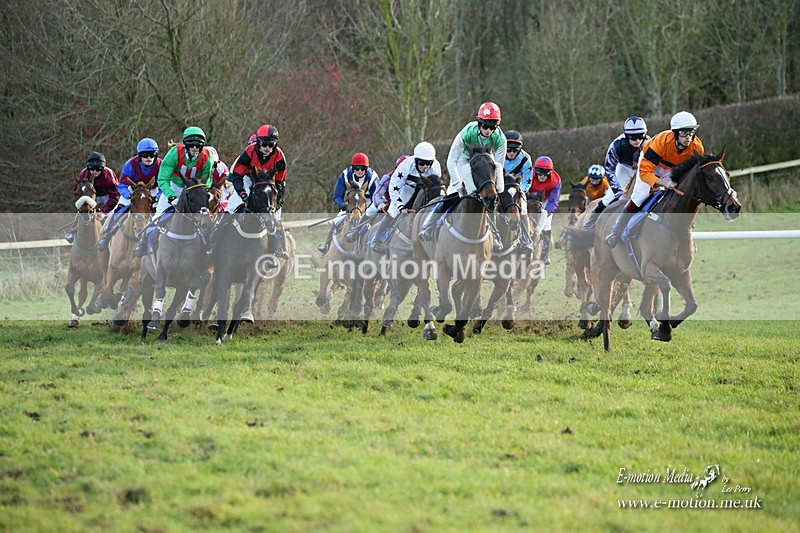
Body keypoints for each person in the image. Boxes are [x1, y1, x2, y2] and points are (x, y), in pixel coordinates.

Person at [605, 111, 704, 248]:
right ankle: (615, 230)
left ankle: (685, 233)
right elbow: (645, 172)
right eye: (683, 133)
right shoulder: (661, 142)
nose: (688, 137)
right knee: (640, 196)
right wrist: (662, 182)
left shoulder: (697, 147)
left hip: (672, 168)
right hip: (650, 164)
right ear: (675, 133)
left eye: (691, 132)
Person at [418, 102, 506, 249]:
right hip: (464, 162)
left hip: (485, 164)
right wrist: (458, 186)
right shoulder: (467, 132)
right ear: (479, 123)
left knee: (492, 198)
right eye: (485, 126)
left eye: (493, 127)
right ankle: (429, 224)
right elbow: (452, 161)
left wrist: (493, 185)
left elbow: (499, 165)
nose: (489, 130)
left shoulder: (500, 139)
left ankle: (495, 233)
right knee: (451, 194)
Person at [133, 126, 218, 257]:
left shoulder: (208, 157)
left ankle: (207, 251)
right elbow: (162, 179)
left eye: (198, 145)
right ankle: (143, 244)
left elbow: (207, 181)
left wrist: (198, 193)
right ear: (185, 144)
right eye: (191, 145)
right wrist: (171, 196)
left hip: (194, 190)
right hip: (175, 187)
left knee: (205, 221)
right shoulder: (174, 153)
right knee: (156, 218)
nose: (195, 148)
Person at [222, 124, 289, 257]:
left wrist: (279, 201)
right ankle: (214, 242)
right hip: (247, 180)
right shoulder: (248, 152)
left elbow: (280, 183)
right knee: (229, 210)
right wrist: (243, 195)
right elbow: (236, 177)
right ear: (258, 142)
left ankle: (279, 248)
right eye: (264, 144)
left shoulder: (280, 156)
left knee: (276, 217)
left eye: (271, 145)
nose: (267, 148)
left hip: (268, 182)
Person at [368, 143, 442, 253]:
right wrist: (401, 207)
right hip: (405, 188)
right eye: (422, 163)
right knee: (393, 210)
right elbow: (394, 186)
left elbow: (435, 186)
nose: (426, 166)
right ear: (416, 160)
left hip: (423, 189)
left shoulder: (436, 166)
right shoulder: (407, 165)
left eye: (429, 163)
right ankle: (377, 239)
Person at [96, 138, 162, 251]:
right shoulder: (130, 164)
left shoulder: (161, 164)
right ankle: (107, 234)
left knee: (161, 210)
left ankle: (161, 234)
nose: (149, 158)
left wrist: (157, 197)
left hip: (153, 190)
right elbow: (121, 185)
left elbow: (165, 183)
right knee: (119, 210)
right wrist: (129, 196)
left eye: (152, 155)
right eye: (145, 155)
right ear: (139, 155)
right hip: (132, 191)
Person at [583, 116, 649, 229]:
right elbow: (609, 170)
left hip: (644, 168)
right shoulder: (617, 145)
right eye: (633, 137)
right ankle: (589, 224)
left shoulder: (650, 142)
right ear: (626, 135)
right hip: (624, 168)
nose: (637, 140)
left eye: (640, 136)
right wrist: (619, 193)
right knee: (609, 197)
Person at [316, 152, 379, 254]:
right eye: (357, 168)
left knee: (375, 222)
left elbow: (376, 197)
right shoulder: (345, 175)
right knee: (337, 220)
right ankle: (326, 244)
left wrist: (366, 209)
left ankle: (376, 244)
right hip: (350, 204)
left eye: (363, 169)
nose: (359, 171)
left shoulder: (373, 178)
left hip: (367, 204)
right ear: (352, 168)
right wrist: (343, 206)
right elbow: (337, 196)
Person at [343, 153, 409, 246]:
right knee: (370, 210)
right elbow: (377, 194)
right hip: (388, 202)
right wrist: (380, 204)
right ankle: (356, 232)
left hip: (406, 204)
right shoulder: (388, 177)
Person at [64, 151, 119, 243]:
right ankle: (73, 231)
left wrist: (103, 211)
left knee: (110, 214)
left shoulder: (108, 175)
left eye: (98, 170)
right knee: (82, 211)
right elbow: (77, 192)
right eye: (92, 169)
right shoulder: (83, 174)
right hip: (92, 195)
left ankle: (114, 230)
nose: (94, 172)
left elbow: (115, 195)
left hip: (108, 195)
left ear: (103, 168)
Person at [503, 130, 535, 255]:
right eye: (508, 150)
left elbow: (528, 179)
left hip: (516, 189)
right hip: (501, 188)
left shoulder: (526, 159)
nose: (511, 153)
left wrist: (519, 192)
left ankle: (526, 241)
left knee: (524, 207)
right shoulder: (497, 155)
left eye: (514, 151)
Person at [527, 156, 562, 265]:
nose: (542, 176)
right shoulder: (529, 175)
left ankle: (545, 253)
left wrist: (545, 213)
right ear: (535, 171)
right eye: (539, 172)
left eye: (545, 173)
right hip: (530, 198)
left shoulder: (556, 180)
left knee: (546, 225)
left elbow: (554, 200)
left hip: (546, 201)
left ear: (550, 173)